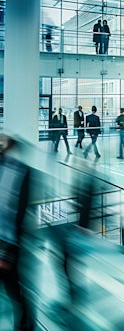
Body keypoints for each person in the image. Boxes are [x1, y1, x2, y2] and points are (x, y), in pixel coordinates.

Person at [0, 134, 34, 331]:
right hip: (7, 240)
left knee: (14, 287)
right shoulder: (5, 166)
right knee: (12, 287)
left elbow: (19, 214)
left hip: (9, 242)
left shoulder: (22, 172)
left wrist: (9, 251)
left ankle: (25, 322)